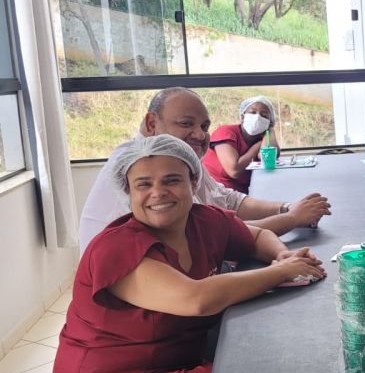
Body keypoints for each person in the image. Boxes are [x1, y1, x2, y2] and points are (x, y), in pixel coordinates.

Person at [52, 134, 327, 373]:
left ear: (194, 182)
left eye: (171, 180)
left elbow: (254, 237)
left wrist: (282, 255)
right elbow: (196, 299)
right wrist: (281, 271)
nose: (157, 193)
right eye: (143, 184)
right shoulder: (115, 247)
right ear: (129, 191)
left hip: (176, 363)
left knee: (267, 366)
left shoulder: (203, 220)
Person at [78, 87, 331, 252]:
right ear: (152, 123)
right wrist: (292, 219)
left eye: (204, 125)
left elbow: (225, 199)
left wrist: (286, 208)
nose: (200, 134)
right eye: (186, 123)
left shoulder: (179, 156)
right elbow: (215, 241)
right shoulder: (138, 164)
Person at [201, 95, 279, 193]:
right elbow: (234, 171)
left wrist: (270, 132)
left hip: (241, 194)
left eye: (264, 115)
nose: (257, 117)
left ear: (269, 122)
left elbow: (267, 158)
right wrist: (256, 147)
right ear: (242, 117)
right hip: (214, 192)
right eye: (253, 112)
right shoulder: (225, 132)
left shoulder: (262, 138)